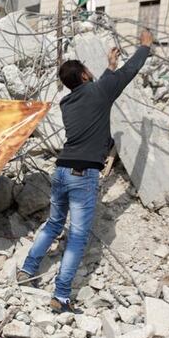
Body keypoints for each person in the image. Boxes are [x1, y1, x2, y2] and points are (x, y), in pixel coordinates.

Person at [18, 29, 154, 314]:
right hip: (83, 175)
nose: (90, 72)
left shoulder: (68, 102)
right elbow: (130, 71)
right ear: (82, 76)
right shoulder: (98, 91)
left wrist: (109, 67)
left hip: (62, 171)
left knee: (54, 224)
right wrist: (144, 47)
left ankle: (27, 269)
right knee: (78, 236)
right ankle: (62, 295)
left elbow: (101, 88)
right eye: (86, 70)